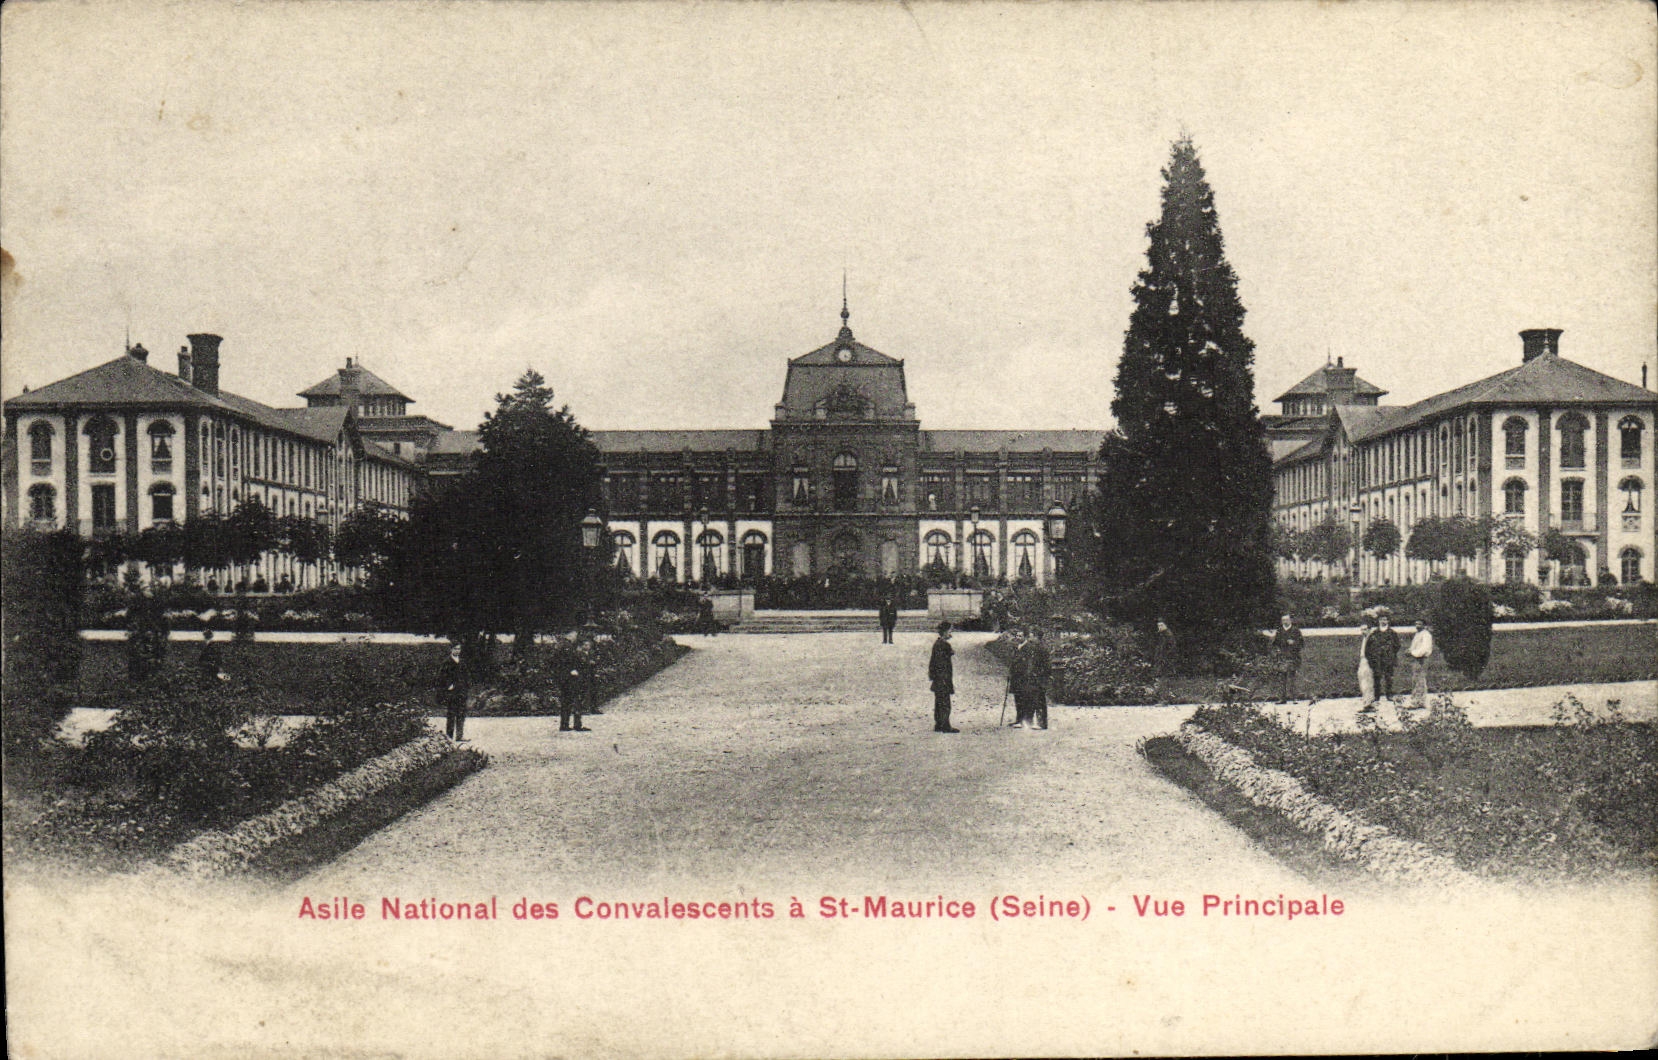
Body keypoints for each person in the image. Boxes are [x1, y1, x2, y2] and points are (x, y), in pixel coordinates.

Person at [1014, 626, 1051, 730]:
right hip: (1033, 678)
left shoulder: (1042, 649)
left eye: (1031, 636)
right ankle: (1028, 721)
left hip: (1039, 678)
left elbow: (1046, 666)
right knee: (1031, 699)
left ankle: (1042, 723)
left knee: (1040, 700)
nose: (1029, 639)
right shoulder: (1034, 647)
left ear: (1036, 637)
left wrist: (1039, 675)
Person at [929, 621, 959, 733]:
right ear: (945, 632)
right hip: (944, 677)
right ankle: (945, 725)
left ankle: (939, 723)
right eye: (950, 630)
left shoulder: (937, 644)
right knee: (945, 702)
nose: (951, 633)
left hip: (938, 677)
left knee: (939, 701)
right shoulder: (944, 645)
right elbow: (942, 663)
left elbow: (933, 662)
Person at [1366, 613, 1402, 702]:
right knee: (1377, 677)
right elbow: (1368, 646)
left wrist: (1390, 652)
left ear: (1388, 621)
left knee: (1388, 677)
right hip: (1377, 659)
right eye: (1381, 620)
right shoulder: (1374, 633)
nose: (1383, 621)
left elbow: (1397, 645)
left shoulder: (1392, 633)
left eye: (1385, 620)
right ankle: (1376, 695)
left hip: (1388, 658)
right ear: (1378, 621)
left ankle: (1389, 694)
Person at [559, 641, 594, 732]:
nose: (587, 646)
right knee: (577, 702)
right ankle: (575, 725)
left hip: (583, 681)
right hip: (578, 681)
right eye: (585, 645)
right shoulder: (579, 655)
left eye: (588, 645)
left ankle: (575, 724)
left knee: (579, 703)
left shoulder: (587, 655)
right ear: (581, 646)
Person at [1271, 613, 1305, 703]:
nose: (1284, 622)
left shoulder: (1295, 631)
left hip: (1293, 657)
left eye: (1286, 620)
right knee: (1282, 678)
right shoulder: (1279, 631)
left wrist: (1294, 643)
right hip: (1282, 657)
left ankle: (1294, 697)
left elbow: (1301, 644)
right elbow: (1275, 643)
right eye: (1283, 620)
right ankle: (1282, 698)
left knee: (1292, 677)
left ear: (1290, 620)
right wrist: (1277, 650)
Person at [442, 642, 469, 742]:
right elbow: (443, 676)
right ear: (451, 649)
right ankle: (449, 736)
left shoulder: (462, 662)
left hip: (461, 691)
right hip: (452, 692)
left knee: (461, 713)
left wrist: (466, 687)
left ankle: (459, 735)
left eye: (459, 649)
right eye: (455, 649)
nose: (457, 651)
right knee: (451, 713)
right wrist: (449, 685)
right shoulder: (447, 662)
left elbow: (466, 676)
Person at [1408, 618, 1435, 709]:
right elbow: (1414, 647)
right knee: (1415, 680)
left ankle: (1419, 701)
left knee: (1420, 680)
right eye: (1416, 624)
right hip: (1416, 658)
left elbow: (1424, 649)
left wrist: (1412, 653)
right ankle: (1417, 700)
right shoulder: (1417, 634)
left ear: (1424, 625)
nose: (1417, 626)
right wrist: (1410, 651)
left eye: (1419, 624)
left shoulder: (1426, 635)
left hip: (1421, 659)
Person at [1152, 618, 1178, 704]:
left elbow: (1170, 650)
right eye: (1158, 625)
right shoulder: (1162, 635)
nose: (1160, 627)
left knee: (1163, 680)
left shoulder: (1168, 636)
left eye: (1161, 625)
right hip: (1161, 661)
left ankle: (1164, 700)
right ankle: (1162, 699)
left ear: (1166, 626)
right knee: (1161, 679)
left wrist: (1164, 659)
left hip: (1165, 662)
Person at [1356, 616, 1377, 711]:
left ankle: (1368, 703)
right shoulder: (1365, 638)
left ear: (1370, 629)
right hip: (1363, 661)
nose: (1363, 631)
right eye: (1361, 630)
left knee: (1367, 683)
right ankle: (1367, 702)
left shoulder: (1372, 639)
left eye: (1365, 629)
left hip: (1368, 662)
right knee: (1363, 681)